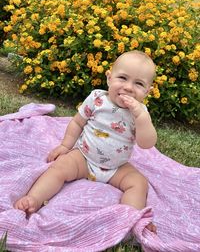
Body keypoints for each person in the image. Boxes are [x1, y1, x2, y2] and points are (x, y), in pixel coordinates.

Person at [14, 50, 157, 233]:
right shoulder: (97, 99)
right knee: (59, 167)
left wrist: (141, 118)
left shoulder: (140, 113)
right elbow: (77, 122)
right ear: (109, 78)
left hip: (117, 168)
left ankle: (132, 219)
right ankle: (34, 198)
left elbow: (146, 143)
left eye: (138, 83)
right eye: (122, 78)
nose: (129, 87)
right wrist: (66, 146)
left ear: (147, 91)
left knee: (139, 183)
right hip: (84, 157)